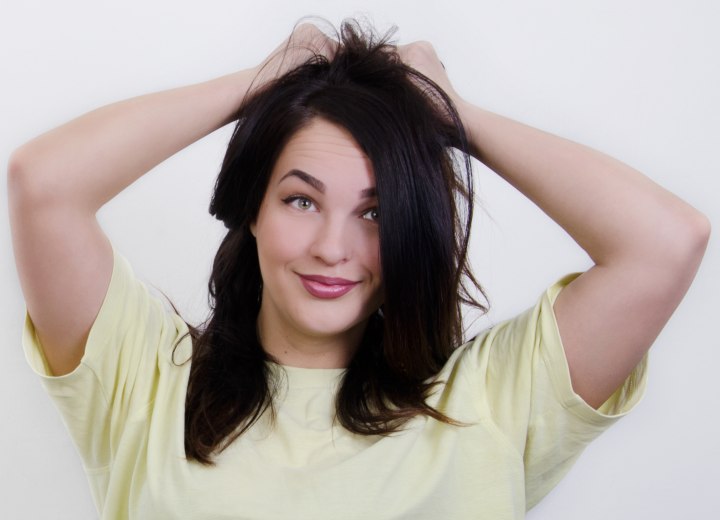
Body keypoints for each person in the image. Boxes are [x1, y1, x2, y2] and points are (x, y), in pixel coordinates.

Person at [8, 19, 709, 520]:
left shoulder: (494, 400)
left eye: (375, 213)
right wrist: (266, 81)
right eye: (301, 199)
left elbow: (667, 242)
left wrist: (454, 116)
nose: (332, 248)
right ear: (251, 206)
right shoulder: (146, 379)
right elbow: (42, 185)